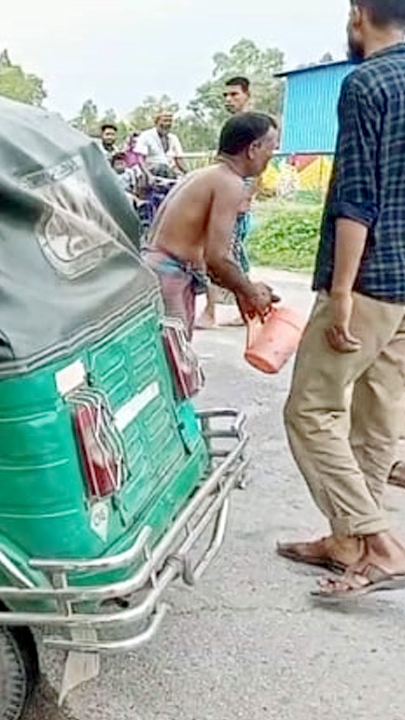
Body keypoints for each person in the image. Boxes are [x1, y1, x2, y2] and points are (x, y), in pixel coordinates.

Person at [277, 0, 405, 601]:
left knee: (310, 410)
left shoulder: (366, 82)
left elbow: (357, 196)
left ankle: (376, 544)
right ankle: (346, 540)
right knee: (377, 415)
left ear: (358, 15)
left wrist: (342, 290)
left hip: (372, 280)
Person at [140, 112, 277, 338]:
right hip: (169, 278)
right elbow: (218, 258)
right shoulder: (229, 183)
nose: (272, 155)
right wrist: (251, 292)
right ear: (253, 149)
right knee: (173, 359)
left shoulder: (206, 174)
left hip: (158, 271)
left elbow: (214, 262)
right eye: (270, 148)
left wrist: (244, 289)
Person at [199, 76, 259, 329]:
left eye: (234, 95)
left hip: (236, 197)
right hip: (226, 193)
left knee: (224, 254)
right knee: (217, 251)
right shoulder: (232, 124)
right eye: (225, 95)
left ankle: (240, 306)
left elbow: (258, 166)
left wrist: (246, 197)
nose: (228, 100)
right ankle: (213, 309)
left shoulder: (255, 125)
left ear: (246, 95)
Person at [134, 111, 188, 177]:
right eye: (165, 120)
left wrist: (188, 174)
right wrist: (148, 175)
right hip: (150, 172)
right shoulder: (146, 135)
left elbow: (179, 158)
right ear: (157, 122)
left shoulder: (173, 138)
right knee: (161, 168)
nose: (167, 123)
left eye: (169, 121)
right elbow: (140, 159)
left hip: (170, 172)